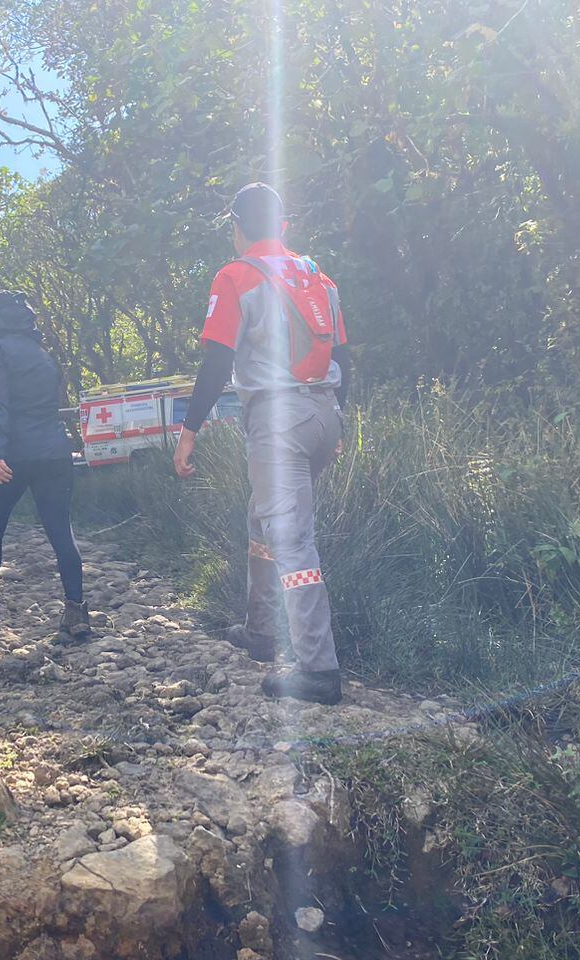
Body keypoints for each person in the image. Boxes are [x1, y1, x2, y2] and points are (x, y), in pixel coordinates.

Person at [174, 183, 353, 705]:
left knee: (293, 541)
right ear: (284, 227)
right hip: (323, 413)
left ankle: (319, 670)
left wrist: (189, 432)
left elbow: (216, 362)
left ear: (237, 228)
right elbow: (347, 355)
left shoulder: (236, 276)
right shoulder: (320, 278)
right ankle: (259, 629)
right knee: (263, 517)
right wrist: (338, 425)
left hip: (278, 423)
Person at [0, 291, 89, 637]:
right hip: (55, 452)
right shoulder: (45, 357)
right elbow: (46, 407)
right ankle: (77, 612)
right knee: (61, 533)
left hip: (12, 456)